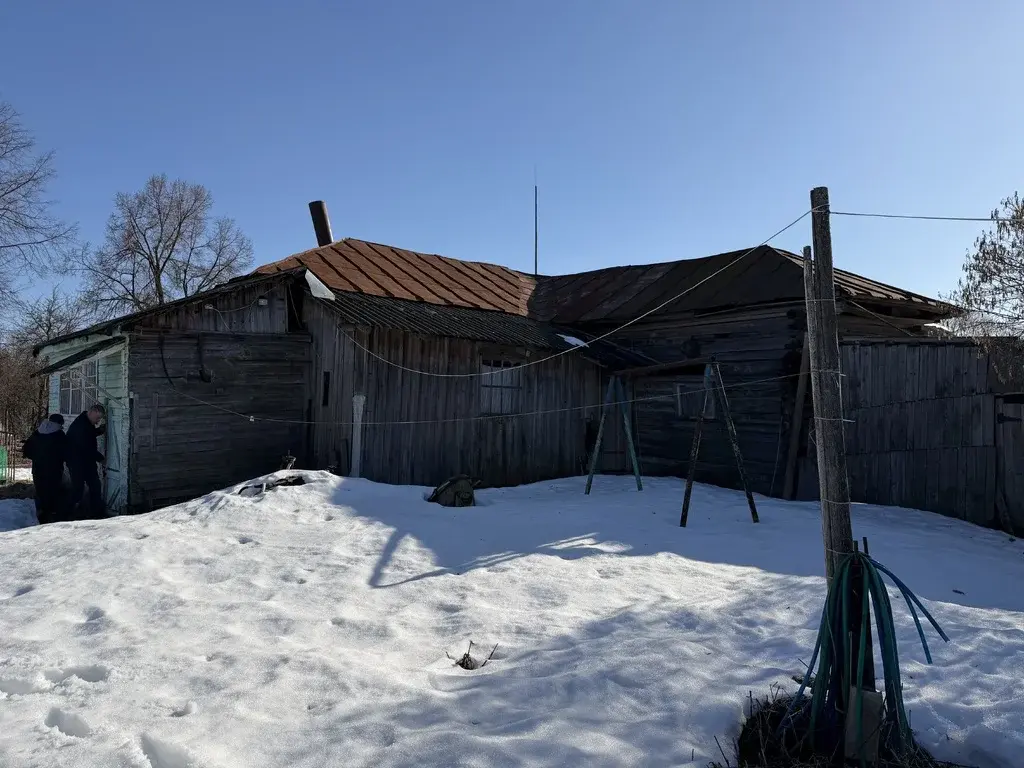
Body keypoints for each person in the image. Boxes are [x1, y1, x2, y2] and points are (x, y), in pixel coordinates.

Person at [22, 414, 67, 525]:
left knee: (40, 491)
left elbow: (27, 449)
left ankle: (40, 514)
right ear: (58, 423)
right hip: (54, 470)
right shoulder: (59, 435)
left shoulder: (37, 433)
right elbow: (66, 452)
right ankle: (50, 516)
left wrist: (37, 457)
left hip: (37, 469)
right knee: (52, 492)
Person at [65, 403, 106, 520]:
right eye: (97, 418)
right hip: (77, 461)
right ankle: (69, 513)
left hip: (85, 461)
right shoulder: (81, 426)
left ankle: (94, 512)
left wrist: (99, 431)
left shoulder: (85, 422)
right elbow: (86, 447)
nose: (98, 421)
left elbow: (89, 435)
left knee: (94, 486)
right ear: (91, 412)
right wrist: (102, 459)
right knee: (78, 488)